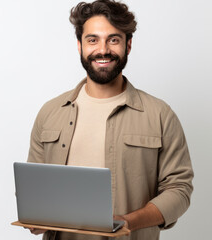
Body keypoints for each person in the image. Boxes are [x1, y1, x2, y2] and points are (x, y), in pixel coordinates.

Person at [26, 0, 194, 239]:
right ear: (79, 45)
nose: (102, 49)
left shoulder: (159, 115)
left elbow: (179, 190)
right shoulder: (50, 112)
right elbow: (34, 188)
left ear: (128, 45)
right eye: (92, 40)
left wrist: (128, 222)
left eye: (113, 39)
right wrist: (36, 216)